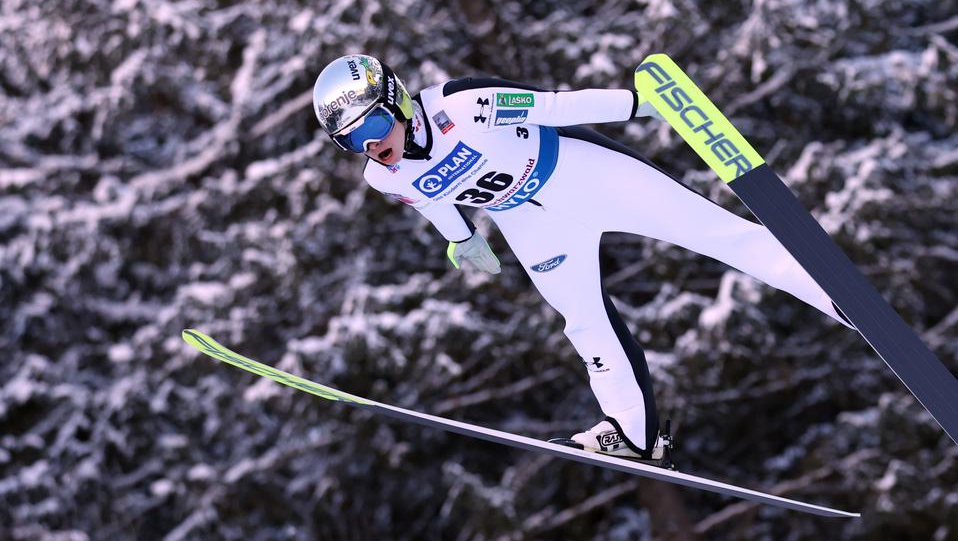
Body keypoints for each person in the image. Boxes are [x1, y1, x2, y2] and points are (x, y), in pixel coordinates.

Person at [313, 54, 851, 462]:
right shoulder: (382, 174)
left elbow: (556, 105)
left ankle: (834, 294)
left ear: (398, 101)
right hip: (528, 221)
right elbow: (431, 199)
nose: (371, 145)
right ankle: (635, 434)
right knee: (585, 324)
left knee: (715, 235)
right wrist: (461, 237)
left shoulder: (460, 105)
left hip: (583, 175)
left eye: (373, 127)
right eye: (351, 140)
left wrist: (641, 104)